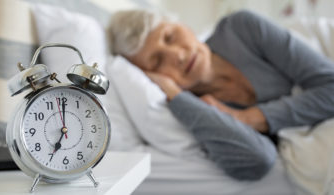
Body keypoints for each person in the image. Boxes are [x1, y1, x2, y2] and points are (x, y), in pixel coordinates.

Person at [107, 9, 334, 181]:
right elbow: (258, 159)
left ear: (184, 26)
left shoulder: (241, 28)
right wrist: (176, 95)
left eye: (170, 37)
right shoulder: (194, 110)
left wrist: (247, 118)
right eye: (157, 61)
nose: (177, 55)